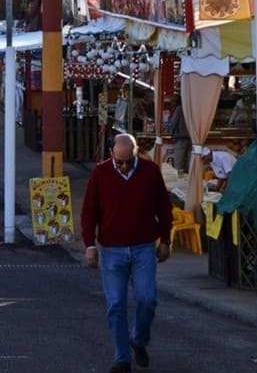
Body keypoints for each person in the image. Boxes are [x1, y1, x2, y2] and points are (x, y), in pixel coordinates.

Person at [81, 133, 174, 373]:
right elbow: (89, 212)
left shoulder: (150, 172)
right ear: (111, 152)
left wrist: (166, 240)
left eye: (128, 161)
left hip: (144, 247)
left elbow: (164, 207)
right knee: (115, 304)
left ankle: (138, 340)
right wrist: (89, 245)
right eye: (119, 161)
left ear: (136, 154)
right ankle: (122, 358)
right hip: (112, 250)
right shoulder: (100, 174)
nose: (123, 166)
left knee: (147, 299)